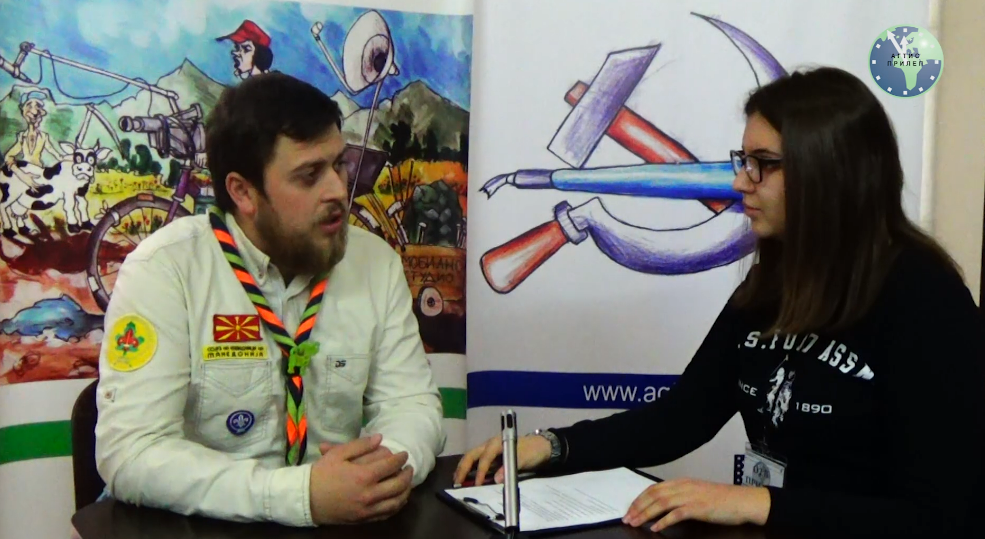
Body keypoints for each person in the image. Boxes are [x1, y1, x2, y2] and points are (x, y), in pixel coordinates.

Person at [454, 66, 985, 539]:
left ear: (829, 171)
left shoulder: (925, 298)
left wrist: (758, 504)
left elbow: (939, 517)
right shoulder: (773, 281)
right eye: (743, 160)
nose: (738, 182)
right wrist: (553, 446)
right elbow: (683, 416)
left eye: (762, 164)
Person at [95, 72, 446, 527]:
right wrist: (297, 495)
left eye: (339, 165)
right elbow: (132, 453)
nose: (338, 190)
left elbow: (412, 405)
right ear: (243, 192)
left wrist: (383, 473)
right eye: (309, 175)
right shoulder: (164, 270)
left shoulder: (375, 263)